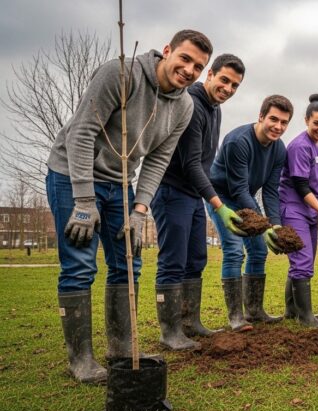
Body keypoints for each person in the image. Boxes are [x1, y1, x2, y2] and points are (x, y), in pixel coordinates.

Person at [46, 30, 212, 383]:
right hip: (71, 174)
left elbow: (157, 160)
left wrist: (139, 211)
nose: (189, 69)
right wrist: (84, 200)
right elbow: (82, 132)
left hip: (121, 185)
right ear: (167, 51)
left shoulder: (184, 107)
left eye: (198, 66)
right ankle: (81, 360)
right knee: (79, 265)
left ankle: (120, 348)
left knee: (128, 263)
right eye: (184, 58)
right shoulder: (121, 74)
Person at [151, 54, 246, 351]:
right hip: (171, 190)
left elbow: (205, 161)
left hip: (192, 194)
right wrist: (218, 204)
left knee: (196, 259)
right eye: (225, 80)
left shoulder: (214, 108)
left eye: (235, 85)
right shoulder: (192, 103)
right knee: (173, 261)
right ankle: (170, 332)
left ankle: (190, 322)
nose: (228, 88)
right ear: (210, 74)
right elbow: (192, 163)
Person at [207, 95, 294, 332]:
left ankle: (254, 311)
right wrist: (263, 225)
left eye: (284, 122)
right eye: (273, 119)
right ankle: (236, 316)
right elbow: (238, 189)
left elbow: (271, 191)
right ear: (261, 116)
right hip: (223, 198)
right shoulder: (239, 142)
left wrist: (274, 225)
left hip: (245, 197)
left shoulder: (279, 149)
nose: (278, 126)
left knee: (258, 250)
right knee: (234, 250)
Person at [279, 93, 318, 331]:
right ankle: (306, 316)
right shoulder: (298, 146)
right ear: (306, 120)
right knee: (302, 260)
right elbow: (301, 185)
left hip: (311, 209)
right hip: (294, 206)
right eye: (317, 123)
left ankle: (292, 309)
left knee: (304, 260)